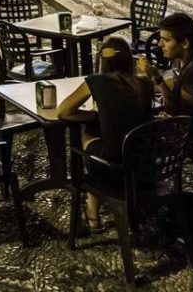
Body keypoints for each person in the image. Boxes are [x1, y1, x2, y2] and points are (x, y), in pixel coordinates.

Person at [58, 36, 155, 231]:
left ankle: (92, 212)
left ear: (102, 61)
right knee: (105, 137)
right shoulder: (145, 84)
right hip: (145, 168)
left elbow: (63, 111)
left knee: (88, 135)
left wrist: (94, 115)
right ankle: (93, 212)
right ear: (129, 59)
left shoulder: (96, 81)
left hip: (114, 171)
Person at [138, 12, 193, 191]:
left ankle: (144, 193)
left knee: (133, 134)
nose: (160, 44)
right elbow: (178, 88)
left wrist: (156, 78)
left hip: (189, 134)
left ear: (184, 43)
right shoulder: (190, 54)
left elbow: (177, 112)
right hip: (189, 123)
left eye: (166, 40)